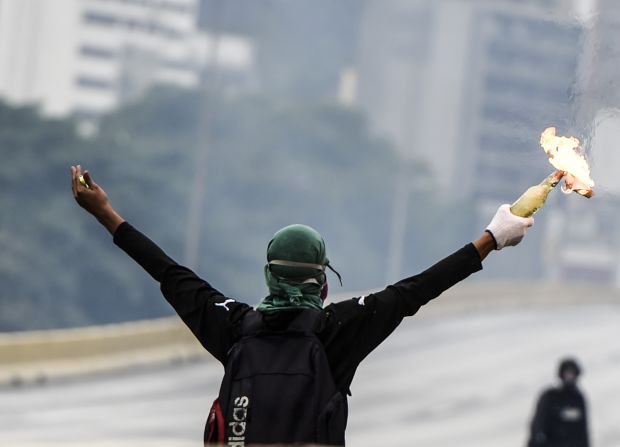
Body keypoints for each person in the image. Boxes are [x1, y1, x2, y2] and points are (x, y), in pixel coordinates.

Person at [70, 164, 534, 446]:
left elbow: (168, 272)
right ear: (321, 282)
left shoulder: (233, 327)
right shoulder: (338, 330)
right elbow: (416, 290)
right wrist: (491, 238)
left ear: (270, 274)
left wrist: (105, 212)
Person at [527, 357, 590, 447]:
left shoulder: (578, 399)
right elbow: (537, 424)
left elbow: (583, 430)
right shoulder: (550, 397)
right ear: (561, 375)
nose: (569, 378)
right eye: (567, 374)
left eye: (572, 374)